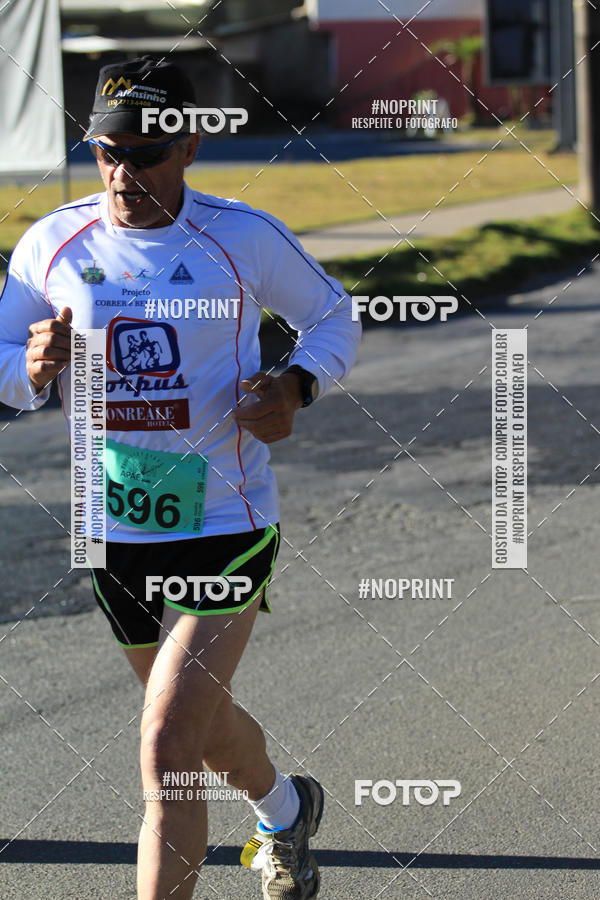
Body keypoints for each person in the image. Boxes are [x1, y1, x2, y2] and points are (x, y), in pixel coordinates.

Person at [0, 56, 360, 899]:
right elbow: (3, 360)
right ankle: (284, 809)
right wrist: (32, 372)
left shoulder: (242, 238)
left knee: (165, 746)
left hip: (224, 522)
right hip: (112, 525)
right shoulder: (52, 242)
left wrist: (296, 385)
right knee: (198, 733)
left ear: (189, 146)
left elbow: (333, 315)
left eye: (144, 152)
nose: (124, 172)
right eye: (106, 152)